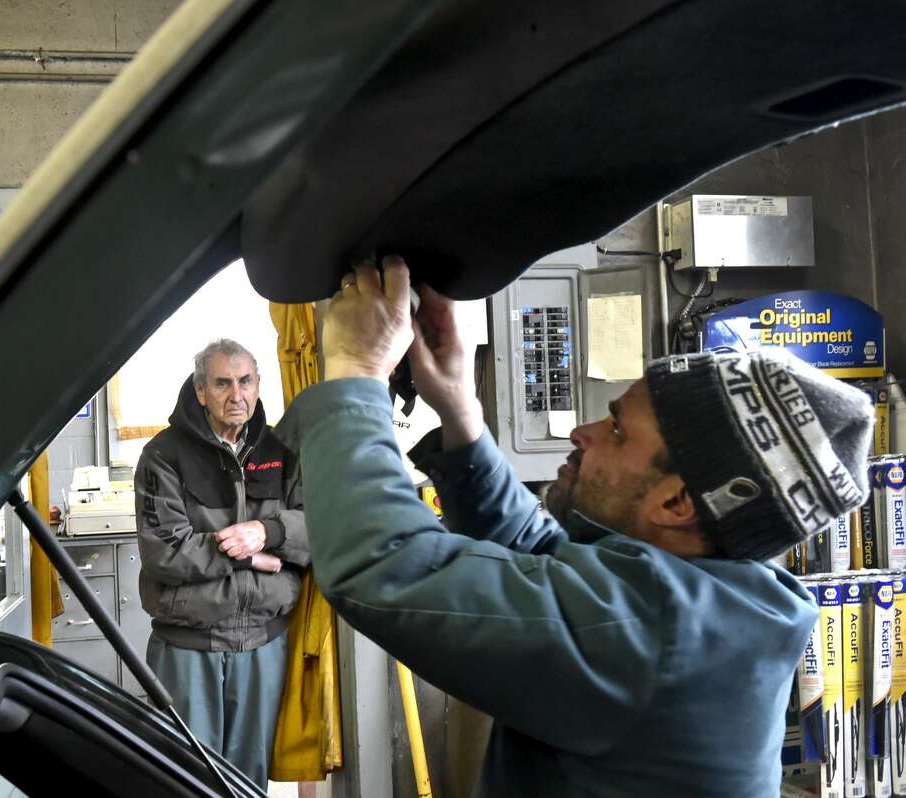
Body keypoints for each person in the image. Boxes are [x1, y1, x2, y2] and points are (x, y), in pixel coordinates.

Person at [279, 256, 873, 797]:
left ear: (677, 503)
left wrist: (355, 374)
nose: (581, 433)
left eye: (617, 430)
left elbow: (385, 562)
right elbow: (545, 554)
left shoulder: (651, 632)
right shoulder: (717, 603)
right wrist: (460, 410)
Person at [134, 338, 310, 786]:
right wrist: (253, 555)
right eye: (223, 383)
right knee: (186, 780)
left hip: (262, 645)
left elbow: (317, 528)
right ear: (200, 391)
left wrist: (269, 532)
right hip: (189, 645)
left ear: (258, 383)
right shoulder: (163, 456)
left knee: (249, 783)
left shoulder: (281, 449)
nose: (237, 395)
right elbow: (166, 554)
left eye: (246, 381)